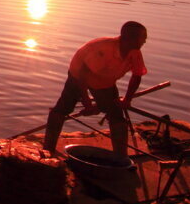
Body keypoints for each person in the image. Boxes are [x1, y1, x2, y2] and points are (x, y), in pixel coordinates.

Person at [42, 21, 148, 157]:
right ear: (129, 38)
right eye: (142, 37)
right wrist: (87, 101)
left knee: (116, 114)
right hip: (78, 75)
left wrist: (127, 99)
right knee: (63, 108)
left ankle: (121, 157)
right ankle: (48, 149)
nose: (145, 40)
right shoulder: (103, 49)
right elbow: (83, 75)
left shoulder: (135, 53)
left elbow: (137, 76)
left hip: (105, 81)